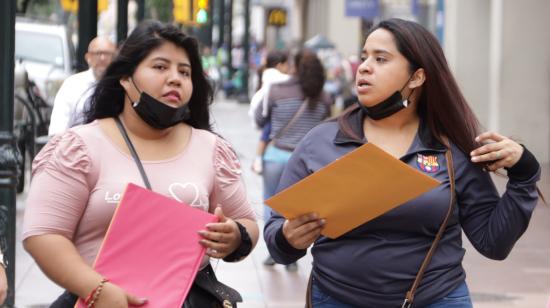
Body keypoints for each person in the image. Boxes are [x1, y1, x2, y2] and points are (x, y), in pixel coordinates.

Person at [264, 18, 542, 308]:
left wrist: (524, 173)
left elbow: (493, 243)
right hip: (335, 298)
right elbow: (276, 242)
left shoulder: (451, 151)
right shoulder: (320, 142)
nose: (365, 67)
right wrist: (287, 238)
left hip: (437, 299)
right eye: (364, 57)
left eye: (381, 59)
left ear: (417, 77)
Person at [23, 20, 258, 307]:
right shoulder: (79, 147)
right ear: (125, 78)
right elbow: (44, 233)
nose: (175, 78)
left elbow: (246, 221)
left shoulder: (211, 148)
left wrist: (235, 236)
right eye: (160, 67)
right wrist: (98, 290)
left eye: (184, 72)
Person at [256, 50, 333, 270]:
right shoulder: (324, 96)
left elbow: (262, 120)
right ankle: (293, 257)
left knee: (271, 204)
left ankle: (274, 249)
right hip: (306, 162)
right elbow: (325, 125)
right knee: (301, 208)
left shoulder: (276, 90)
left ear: (294, 66)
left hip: (276, 155)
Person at [48, 36, 117, 136]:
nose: (102, 58)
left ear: (115, 58)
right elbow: (57, 130)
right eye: (98, 53)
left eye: (107, 54)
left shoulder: (122, 86)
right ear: (88, 57)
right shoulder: (72, 84)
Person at [248, 50, 291, 174]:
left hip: (265, 109)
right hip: (270, 109)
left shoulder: (266, 74)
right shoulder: (277, 77)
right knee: (267, 132)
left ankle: (258, 159)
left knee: (266, 134)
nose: (288, 68)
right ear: (279, 65)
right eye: (286, 64)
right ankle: (258, 160)